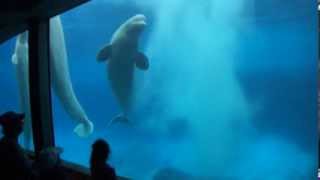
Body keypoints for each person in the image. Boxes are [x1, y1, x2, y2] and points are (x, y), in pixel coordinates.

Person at [0, 111, 34, 180]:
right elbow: (29, 171)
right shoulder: (12, 147)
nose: (22, 122)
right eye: (18, 121)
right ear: (13, 126)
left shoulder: (5, 141)